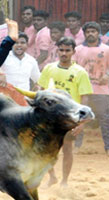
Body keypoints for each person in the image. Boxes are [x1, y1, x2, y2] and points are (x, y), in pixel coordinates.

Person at [38, 36, 93, 187]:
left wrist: (81, 122)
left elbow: (85, 98)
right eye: (61, 50)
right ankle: (52, 176)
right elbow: (41, 92)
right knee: (45, 150)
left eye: (67, 50)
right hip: (50, 116)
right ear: (57, 51)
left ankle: (64, 181)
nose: (64, 53)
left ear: (73, 52)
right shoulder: (49, 68)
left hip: (69, 118)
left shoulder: (80, 72)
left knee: (67, 149)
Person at [74, 21, 109, 156]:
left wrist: (108, 75)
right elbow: (73, 68)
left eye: (93, 31)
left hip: (101, 90)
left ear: (98, 33)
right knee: (79, 119)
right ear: (84, 34)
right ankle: (77, 147)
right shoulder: (77, 50)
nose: (90, 34)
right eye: (88, 32)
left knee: (104, 119)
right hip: (82, 91)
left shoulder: (108, 50)